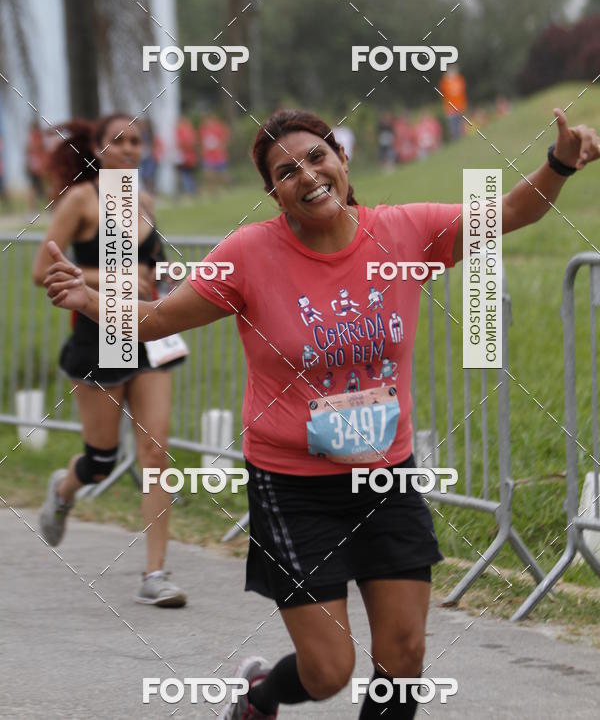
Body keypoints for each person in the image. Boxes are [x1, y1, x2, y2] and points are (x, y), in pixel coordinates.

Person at [42, 107, 599, 718]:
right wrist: (89, 298)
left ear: (342, 160)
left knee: (405, 654)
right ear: (273, 193)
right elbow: (160, 317)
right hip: (293, 487)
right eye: (286, 171)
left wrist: (559, 164)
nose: (306, 175)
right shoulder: (250, 255)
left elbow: (510, 213)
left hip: (388, 475)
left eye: (316, 157)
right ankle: (259, 696)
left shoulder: (404, 232)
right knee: (330, 669)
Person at [33, 114, 187, 607]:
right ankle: (65, 490)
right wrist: (110, 280)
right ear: (97, 149)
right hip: (98, 338)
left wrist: (167, 280)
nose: (127, 149)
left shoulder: (142, 201)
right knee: (102, 460)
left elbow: (151, 268)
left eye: (136, 141)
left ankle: (156, 574)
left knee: (155, 455)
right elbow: (43, 270)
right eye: (117, 141)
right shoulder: (82, 200)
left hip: (142, 335)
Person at [199, 115, 231, 195]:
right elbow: (202, 142)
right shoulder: (203, 129)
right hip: (208, 157)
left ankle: (229, 185)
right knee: (209, 175)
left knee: (222, 176)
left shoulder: (218, 127)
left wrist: (222, 147)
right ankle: (213, 192)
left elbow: (226, 137)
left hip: (219, 156)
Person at [439, 66, 467, 141]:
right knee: (453, 128)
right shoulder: (445, 82)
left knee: (461, 126)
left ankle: (463, 141)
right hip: (450, 108)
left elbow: (462, 92)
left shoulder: (459, 79)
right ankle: (455, 141)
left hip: (460, 107)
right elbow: (442, 90)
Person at [26, 118, 48, 210]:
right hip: (39, 167)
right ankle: (49, 207)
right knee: (40, 188)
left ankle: (32, 209)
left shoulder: (34, 137)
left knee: (35, 189)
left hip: (36, 167)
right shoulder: (39, 136)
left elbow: (29, 150)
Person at [175, 115, 198, 197]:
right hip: (185, 157)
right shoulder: (188, 130)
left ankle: (190, 191)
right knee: (185, 175)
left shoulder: (183, 131)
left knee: (185, 175)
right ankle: (189, 192)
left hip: (186, 157)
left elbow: (186, 144)